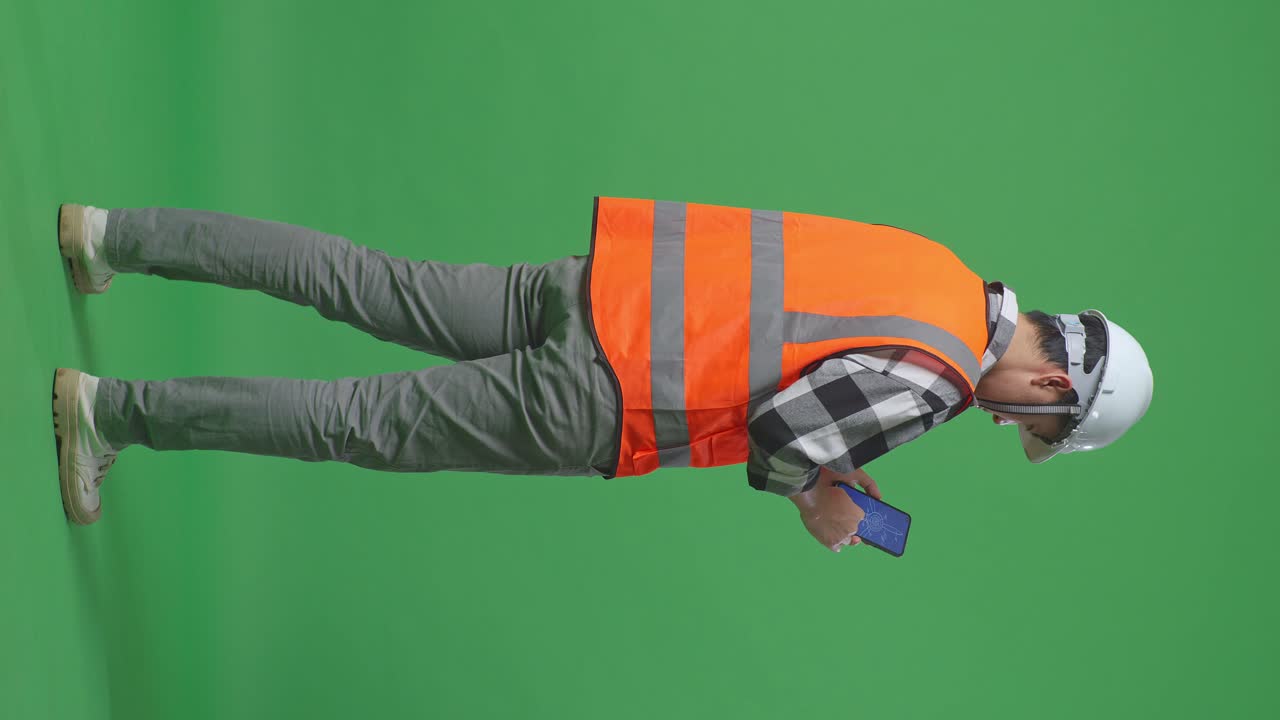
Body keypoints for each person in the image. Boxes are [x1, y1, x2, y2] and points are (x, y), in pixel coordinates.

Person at [52, 198, 1154, 553]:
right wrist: (821, 499)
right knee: (354, 421)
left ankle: (108, 235)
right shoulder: (934, 380)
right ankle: (107, 413)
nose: (1011, 425)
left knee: (358, 278)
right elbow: (780, 435)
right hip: (607, 393)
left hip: (599, 288)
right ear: (1056, 389)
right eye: (1036, 427)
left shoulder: (938, 270)